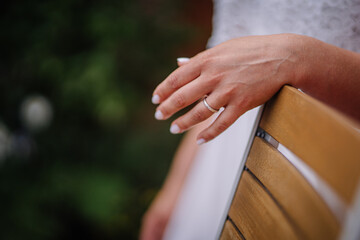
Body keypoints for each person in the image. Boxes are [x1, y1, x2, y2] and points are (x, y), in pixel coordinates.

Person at [140, 0, 360, 239]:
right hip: (221, 158)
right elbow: (224, 76)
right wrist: (175, 187)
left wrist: (297, 58)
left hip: (315, 163)